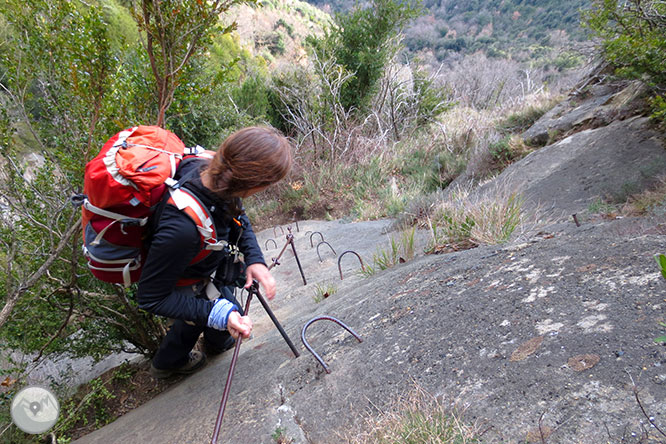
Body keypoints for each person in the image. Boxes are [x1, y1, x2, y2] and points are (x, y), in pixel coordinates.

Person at [137, 126, 292, 378]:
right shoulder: (181, 229)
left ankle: (216, 341)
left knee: (223, 312)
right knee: (206, 313)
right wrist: (217, 313)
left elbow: (237, 214)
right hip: (184, 277)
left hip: (205, 264)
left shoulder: (213, 170)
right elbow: (151, 297)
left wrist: (254, 258)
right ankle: (167, 365)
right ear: (254, 185)